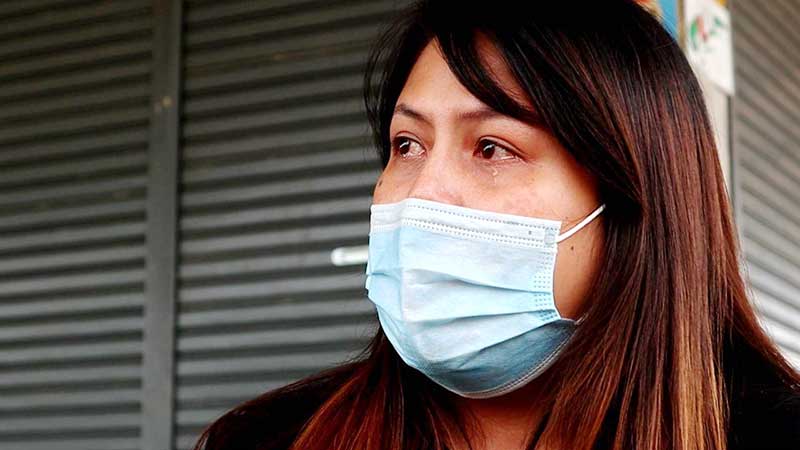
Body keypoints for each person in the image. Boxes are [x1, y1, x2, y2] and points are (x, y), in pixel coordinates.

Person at [192, 1, 800, 449]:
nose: (422, 196)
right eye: (407, 145)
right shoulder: (269, 438)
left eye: (492, 148)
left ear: (633, 200)